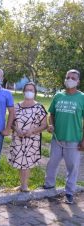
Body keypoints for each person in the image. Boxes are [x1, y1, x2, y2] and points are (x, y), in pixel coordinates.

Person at [43, 69, 84, 204]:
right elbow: (51, 114)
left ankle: (69, 192)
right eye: (68, 77)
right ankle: (49, 185)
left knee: (72, 167)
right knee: (52, 164)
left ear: (78, 81)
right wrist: (51, 125)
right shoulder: (58, 96)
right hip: (57, 138)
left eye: (73, 78)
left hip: (74, 140)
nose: (70, 80)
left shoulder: (82, 97)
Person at [9, 82, 47, 192]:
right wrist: (16, 129)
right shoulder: (16, 107)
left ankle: (25, 186)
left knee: (26, 163)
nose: (29, 92)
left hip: (32, 139)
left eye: (31, 90)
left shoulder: (39, 107)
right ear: (23, 92)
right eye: (27, 90)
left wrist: (33, 130)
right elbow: (10, 123)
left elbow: (44, 125)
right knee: (20, 162)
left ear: (35, 93)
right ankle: (22, 185)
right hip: (18, 138)